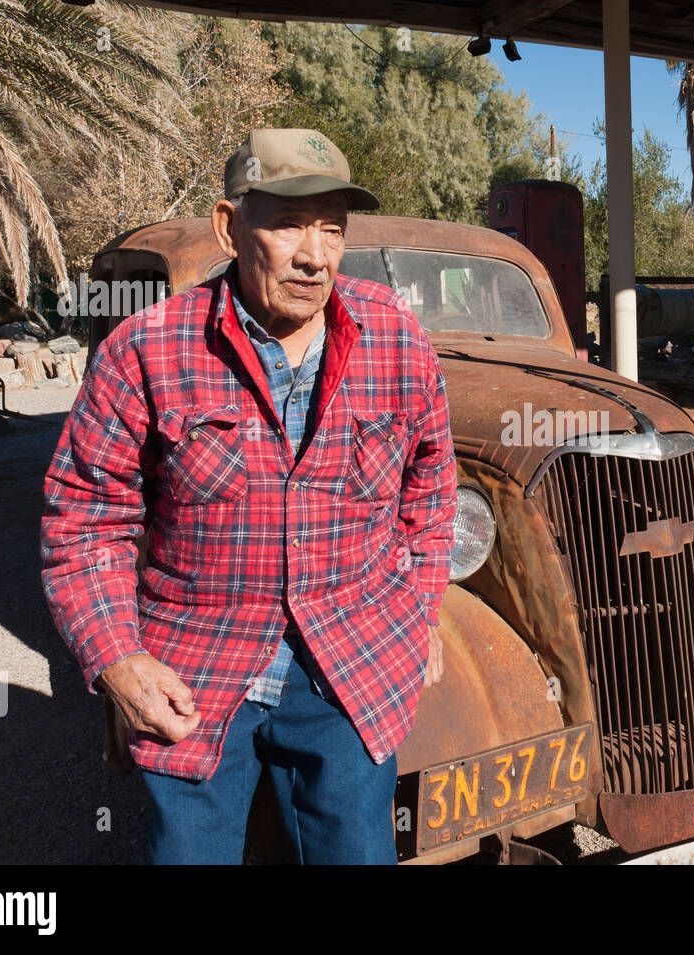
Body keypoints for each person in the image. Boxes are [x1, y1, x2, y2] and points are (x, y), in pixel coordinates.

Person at [40, 128, 457, 864]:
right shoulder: (147, 350)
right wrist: (118, 660)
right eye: (290, 223)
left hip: (351, 665)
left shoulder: (396, 337)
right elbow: (82, 523)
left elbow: (430, 483)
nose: (315, 255)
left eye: (332, 227)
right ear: (231, 228)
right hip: (192, 677)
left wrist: (418, 607)